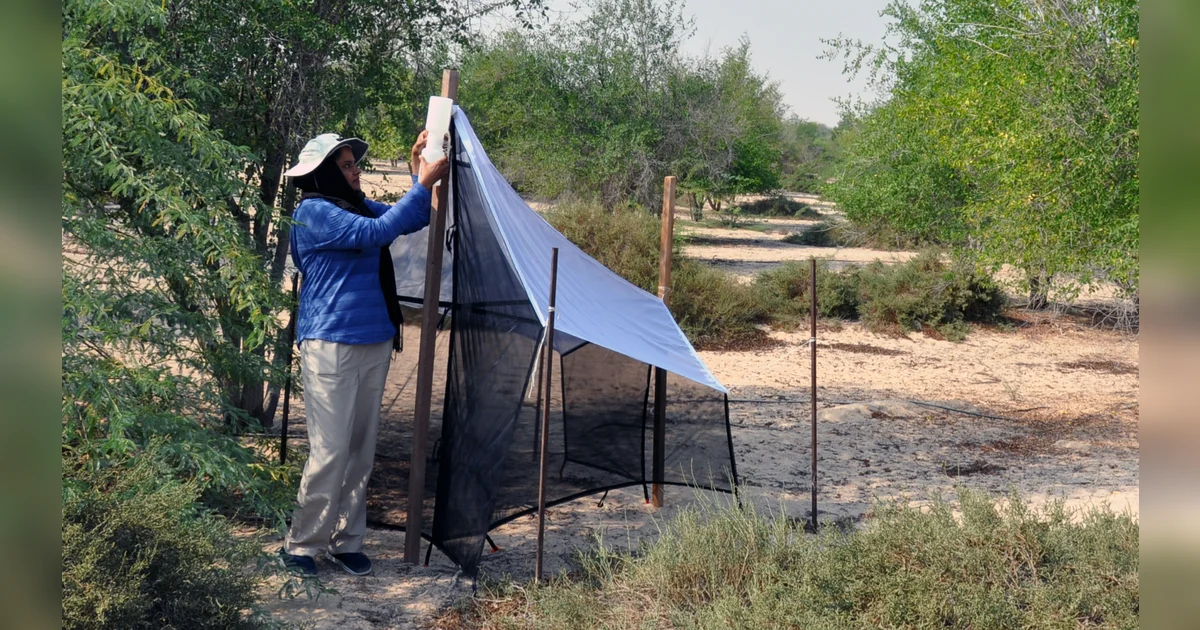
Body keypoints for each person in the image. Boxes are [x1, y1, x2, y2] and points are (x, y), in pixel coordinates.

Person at [278, 131, 449, 577]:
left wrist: (419, 172)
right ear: (323, 173)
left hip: (371, 338)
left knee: (360, 450)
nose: (356, 172)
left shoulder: (350, 206)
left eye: (354, 164)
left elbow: (407, 220)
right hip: (331, 341)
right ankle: (303, 543)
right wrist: (424, 183)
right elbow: (378, 232)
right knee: (331, 449)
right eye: (348, 166)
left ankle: (346, 540)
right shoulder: (314, 212)